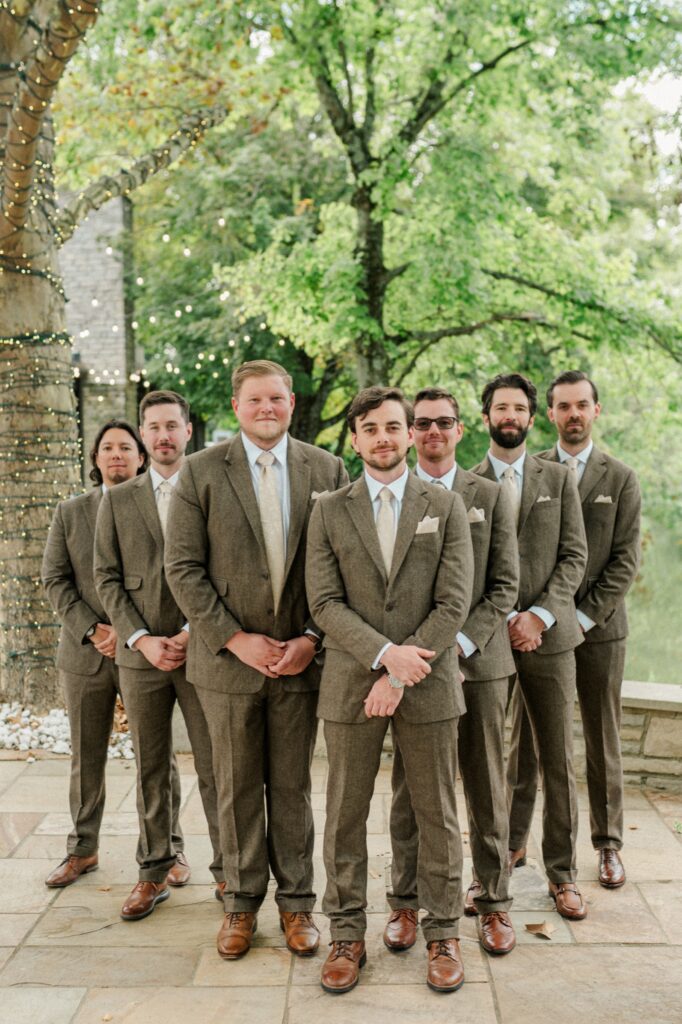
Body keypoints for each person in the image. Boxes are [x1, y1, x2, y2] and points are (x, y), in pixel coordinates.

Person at [164, 360, 348, 961]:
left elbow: (343, 565)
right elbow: (182, 569)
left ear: (291, 403)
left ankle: (297, 905)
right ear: (236, 407)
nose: (266, 408)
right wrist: (234, 638)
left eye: (276, 398)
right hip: (227, 664)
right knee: (236, 786)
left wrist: (312, 638)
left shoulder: (327, 469)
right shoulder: (200, 471)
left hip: (300, 659)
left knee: (292, 788)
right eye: (255, 400)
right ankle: (240, 904)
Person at [306, 386, 474, 994]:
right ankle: (347, 933)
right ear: (354, 440)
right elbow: (324, 602)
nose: (382, 437)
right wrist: (383, 657)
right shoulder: (329, 509)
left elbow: (454, 602)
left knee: (437, 812)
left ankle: (443, 932)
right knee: (344, 813)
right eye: (370, 428)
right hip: (351, 681)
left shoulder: (444, 506)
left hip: (428, 681)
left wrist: (401, 672)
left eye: (393, 427)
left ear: (409, 434)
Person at [384, 387, 519, 957]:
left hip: (479, 663)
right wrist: (418, 657)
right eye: (422, 423)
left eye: (444, 422)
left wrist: (456, 649)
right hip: (412, 668)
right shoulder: (393, 494)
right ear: (411, 432)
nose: (433, 431)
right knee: (410, 790)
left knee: (486, 783)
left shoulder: (488, 494)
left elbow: (504, 586)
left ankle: (493, 900)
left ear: (461, 429)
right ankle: (405, 900)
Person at [507, 370, 641, 889]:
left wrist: (582, 619)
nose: (574, 414)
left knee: (602, 737)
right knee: (525, 741)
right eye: (563, 406)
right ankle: (515, 841)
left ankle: (607, 845)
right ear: (550, 414)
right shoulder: (532, 469)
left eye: (582, 404)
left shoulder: (620, 478)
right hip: (538, 631)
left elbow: (624, 562)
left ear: (596, 410)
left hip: (598, 631)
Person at [94, 391, 222, 920]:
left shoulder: (213, 487)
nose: (164, 435)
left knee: (218, 766)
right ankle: (152, 871)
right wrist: (142, 638)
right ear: (144, 436)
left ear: (188, 431)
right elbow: (106, 577)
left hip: (205, 650)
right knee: (150, 766)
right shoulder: (119, 499)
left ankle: (230, 872)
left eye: (173, 425)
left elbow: (225, 569)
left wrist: (194, 631)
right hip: (141, 656)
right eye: (154, 427)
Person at [41, 420, 179, 888]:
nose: (116, 454)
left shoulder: (162, 505)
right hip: (87, 655)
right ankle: (82, 849)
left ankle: (169, 848)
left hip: (144, 651)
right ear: (96, 459)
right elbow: (55, 579)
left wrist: (129, 631)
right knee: (86, 757)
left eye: (125, 447)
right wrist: (91, 628)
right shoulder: (70, 512)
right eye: (107, 448)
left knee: (156, 756)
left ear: (141, 457)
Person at [471, 373, 589, 920]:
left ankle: (562, 874)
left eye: (519, 408)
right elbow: (462, 569)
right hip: (489, 641)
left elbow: (573, 556)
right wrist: (499, 620)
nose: (510, 416)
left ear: (531, 417)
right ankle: (489, 873)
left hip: (549, 638)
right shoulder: (466, 484)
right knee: (486, 763)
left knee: (557, 759)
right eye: (501, 408)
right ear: (486, 417)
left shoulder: (558, 479)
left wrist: (540, 615)